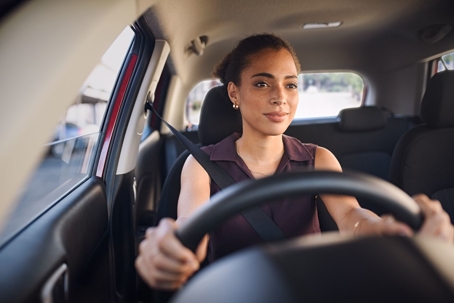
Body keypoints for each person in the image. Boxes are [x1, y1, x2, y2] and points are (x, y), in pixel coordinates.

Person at [135, 33, 454, 291]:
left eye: (290, 84)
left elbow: (351, 216)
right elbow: (190, 233)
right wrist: (168, 250)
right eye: (262, 83)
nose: (281, 97)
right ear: (234, 92)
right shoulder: (200, 164)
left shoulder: (319, 157)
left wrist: (384, 229)